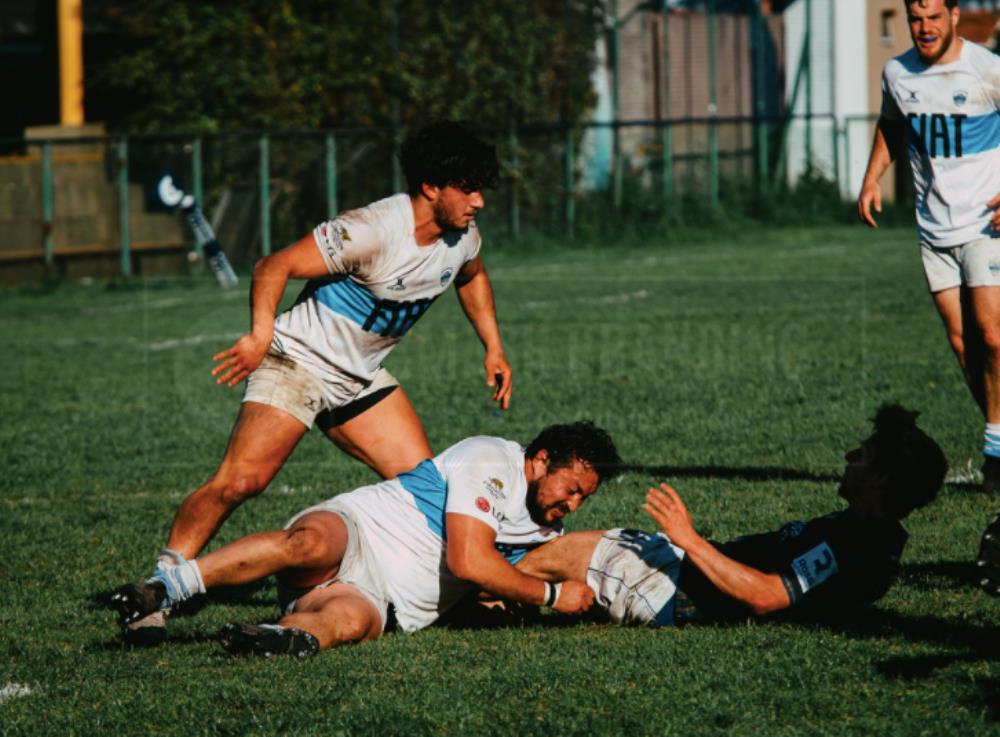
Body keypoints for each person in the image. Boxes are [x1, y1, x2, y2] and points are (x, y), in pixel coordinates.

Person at [118, 122, 515, 640]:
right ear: (430, 187)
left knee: (426, 490)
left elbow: (472, 276)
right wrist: (260, 334)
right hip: (298, 363)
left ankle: (454, 594)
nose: (479, 201)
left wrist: (493, 347)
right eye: (469, 189)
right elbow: (273, 265)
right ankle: (160, 588)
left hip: (359, 379)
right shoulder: (372, 230)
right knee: (241, 482)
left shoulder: (462, 238)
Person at [110, 421, 622, 655]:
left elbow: (488, 584)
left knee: (347, 623)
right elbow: (469, 561)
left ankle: (272, 637)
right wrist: (551, 595)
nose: (573, 505)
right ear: (540, 460)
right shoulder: (491, 459)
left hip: (382, 600)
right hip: (359, 530)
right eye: (572, 489)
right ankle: (166, 587)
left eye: (584, 498)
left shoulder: (547, 527)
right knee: (307, 545)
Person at [515, 406, 948, 626]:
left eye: (863, 455)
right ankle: (497, 587)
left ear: (880, 478)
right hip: (680, 576)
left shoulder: (860, 545)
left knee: (571, 554)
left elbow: (765, 596)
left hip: (674, 590)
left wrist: (688, 539)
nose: (850, 456)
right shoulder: (868, 537)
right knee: (561, 554)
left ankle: (479, 589)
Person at [855, 0, 1000, 589]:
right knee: (964, 345)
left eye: (934, 16)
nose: (925, 27)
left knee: (993, 334)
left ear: (955, 15)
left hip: (987, 225)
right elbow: (892, 126)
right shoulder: (898, 73)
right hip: (933, 231)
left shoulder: (987, 69)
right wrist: (872, 177)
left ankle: (995, 446)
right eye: (916, 18)